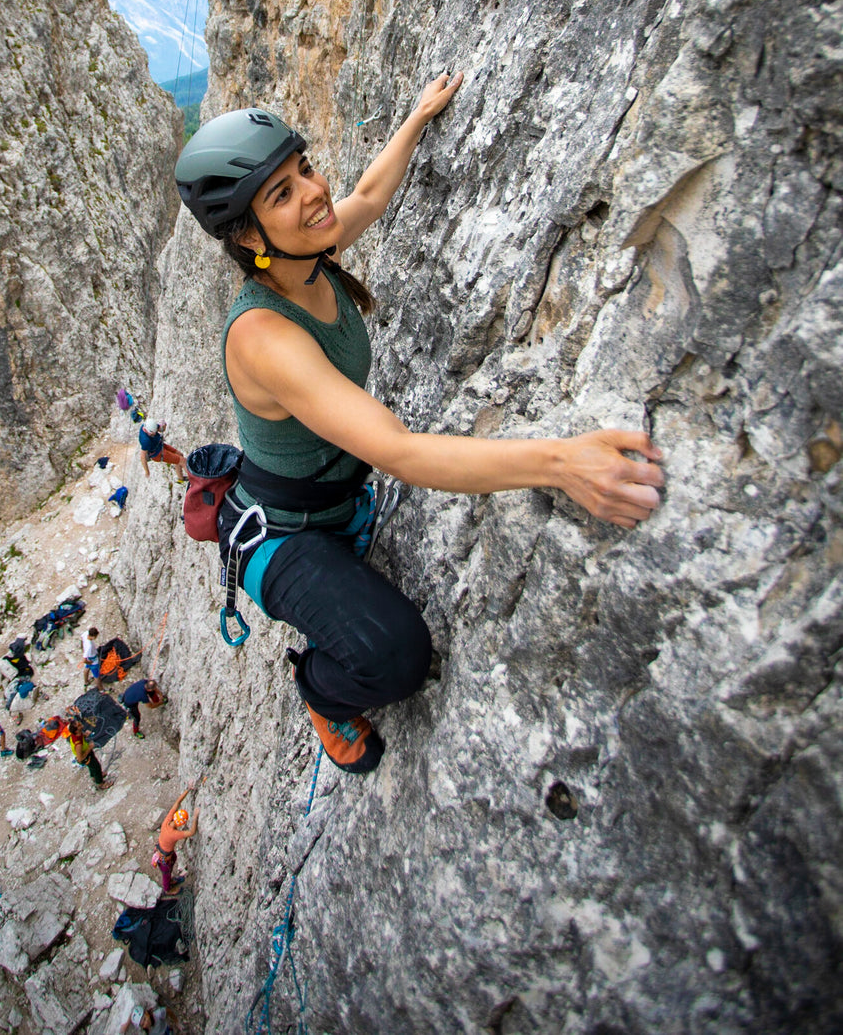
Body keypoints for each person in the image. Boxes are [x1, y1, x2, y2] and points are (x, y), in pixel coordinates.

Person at [173, 82, 665, 775]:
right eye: (280, 195)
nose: (313, 193)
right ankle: (319, 690)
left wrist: (416, 117)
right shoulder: (262, 335)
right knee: (398, 655)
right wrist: (563, 463)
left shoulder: (311, 251)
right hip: (282, 536)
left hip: (333, 503)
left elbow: (369, 194)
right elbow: (398, 451)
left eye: (303, 171)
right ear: (249, 237)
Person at [154, 784, 199, 894]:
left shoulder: (168, 821)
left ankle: (171, 881)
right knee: (166, 872)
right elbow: (192, 832)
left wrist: (188, 789)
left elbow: (177, 803)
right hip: (164, 858)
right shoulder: (174, 834)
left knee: (173, 858)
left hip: (162, 853)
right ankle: (168, 890)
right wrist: (195, 817)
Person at [138, 420, 187, 485]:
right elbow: (142, 457)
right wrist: (147, 471)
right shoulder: (145, 441)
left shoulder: (149, 426)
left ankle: (181, 478)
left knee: (180, 455)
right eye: (153, 433)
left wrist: (164, 425)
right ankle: (195, 479)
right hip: (158, 454)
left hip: (160, 445)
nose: (155, 433)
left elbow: (161, 429)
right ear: (148, 432)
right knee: (183, 461)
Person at [66, 717, 108, 788]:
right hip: (86, 757)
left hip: (87, 754)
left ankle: (95, 777)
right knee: (96, 767)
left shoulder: (76, 735)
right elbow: (80, 758)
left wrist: (85, 735)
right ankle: (100, 783)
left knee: (92, 767)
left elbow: (81, 736)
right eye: (79, 725)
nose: (81, 724)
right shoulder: (78, 744)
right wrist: (89, 748)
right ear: (76, 731)